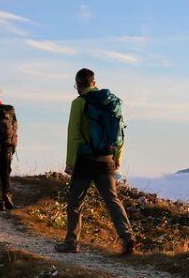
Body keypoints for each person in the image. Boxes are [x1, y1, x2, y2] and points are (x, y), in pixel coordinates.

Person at [55, 68, 136, 256]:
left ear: (78, 85)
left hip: (85, 160)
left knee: (75, 201)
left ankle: (71, 242)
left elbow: (73, 135)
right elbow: (120, 133)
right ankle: (128, 237)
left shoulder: (79, 103)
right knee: (112, 199)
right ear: (94, 82)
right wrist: (117, 159)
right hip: (106, 159)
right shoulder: (110, 102)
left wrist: (70, 162)